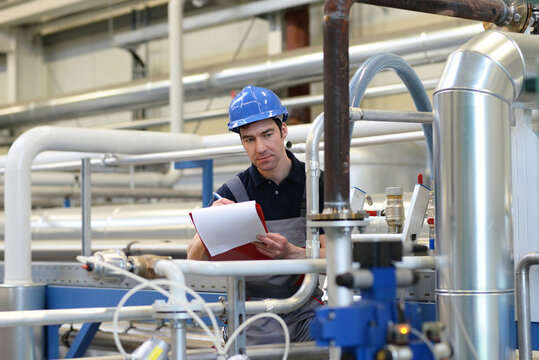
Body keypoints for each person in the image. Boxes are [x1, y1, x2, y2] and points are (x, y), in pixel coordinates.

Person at [187, 85, 325, 345]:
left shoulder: (317, 184)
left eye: (267, 134)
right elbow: (193, 260)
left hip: (307, 312)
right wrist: (212, 225)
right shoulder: (232, 191)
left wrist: (291, 253)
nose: (260, 147)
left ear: (283, 130)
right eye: (249, 139)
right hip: (251, 315)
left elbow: (338, 254)